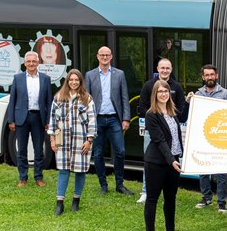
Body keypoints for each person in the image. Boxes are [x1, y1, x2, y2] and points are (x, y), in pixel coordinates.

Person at [136, 58, 187, 204]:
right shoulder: (148, 85)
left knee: (170, 162)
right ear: (157, 69)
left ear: (171, 70)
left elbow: (180, 111)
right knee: (150, 163)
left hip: (171, 132)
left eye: (167, 68)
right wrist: (157, 118)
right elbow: (142, 108)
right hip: (152, 131)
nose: (165, 70)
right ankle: (146, 191)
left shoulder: (176, 87)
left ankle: (167, 192)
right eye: (162, 68)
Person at [85, 46, 133, 195]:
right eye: (102, 55)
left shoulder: (119, 74)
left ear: (111, 57)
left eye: (107, 55)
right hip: (97, 119)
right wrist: (87, 120)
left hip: (114, 119)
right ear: (97, 57)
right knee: (98, 153)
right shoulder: (90, 75)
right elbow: (86, 99)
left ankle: (119, 184)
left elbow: (125, 97)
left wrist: (126, 118)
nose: (105, 58)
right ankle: (103, 185)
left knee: (120, 151)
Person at [49, 70, 96, 215]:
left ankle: (76, 200)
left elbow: (93, 120)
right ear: (67, 81)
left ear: (80, 82)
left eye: (77, 80)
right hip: (62, 139)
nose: (74, 82)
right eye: (71, 80)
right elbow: (53, 120)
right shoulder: (58, 97)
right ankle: (60, 203)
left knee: (80, 171)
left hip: (81, 140)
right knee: (63, 170)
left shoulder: (87, 99)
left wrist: (89, 140)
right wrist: (52, 139)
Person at [143, 80, 184, 231]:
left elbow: (176, 137)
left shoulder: (172, 112)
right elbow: (160, 140)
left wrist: (177, 157)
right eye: (160, 91)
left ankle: (170, 230)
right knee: (152, 198)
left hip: (173, 159)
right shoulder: (151, 115)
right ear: (155, 94)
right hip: (157, 162)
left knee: (171, 197)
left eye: (166, 91)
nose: (163, 94)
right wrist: (171, 160)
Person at [186, 64, 227, 212]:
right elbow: (190, 115)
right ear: (203, 77)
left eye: (212, 74)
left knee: (221, 172)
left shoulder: (225, 94)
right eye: (207, 75)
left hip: (220, 138)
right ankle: (206, 198)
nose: (210, 77)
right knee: (203, 169)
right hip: (203, 137)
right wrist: (188, 102)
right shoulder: (197, 95)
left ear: (216, 76)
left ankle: (221, 203)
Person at [7, 51, 52, 187]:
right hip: (21, 118)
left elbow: (48, 101)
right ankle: (23, 177)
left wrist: (48, 120)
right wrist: (11, 120)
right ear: (25, 63)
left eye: (34, 61)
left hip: (38, 117)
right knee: (21, 149)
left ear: (38, 63)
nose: (31, 64)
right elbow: (12, 100)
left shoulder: (45, 79)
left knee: (39, 149)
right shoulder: (17, 78)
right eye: (29, 61)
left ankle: (38, 177)